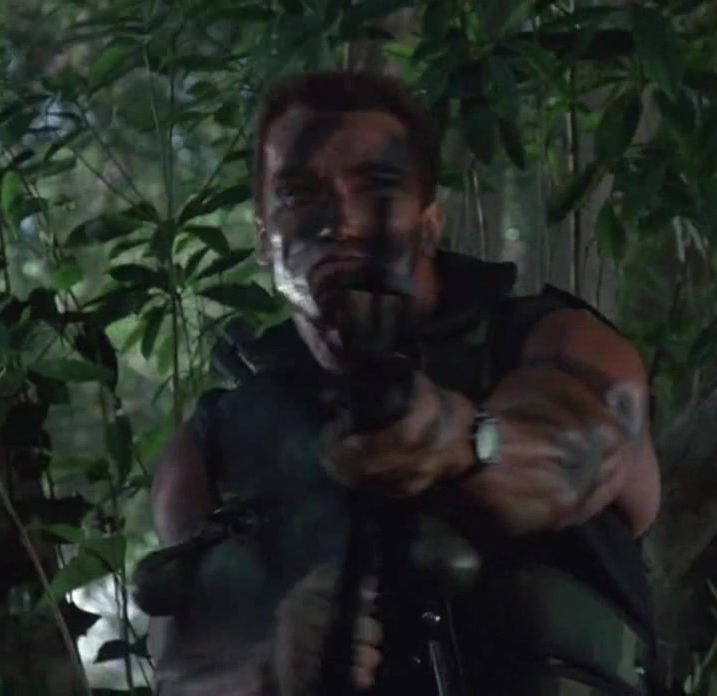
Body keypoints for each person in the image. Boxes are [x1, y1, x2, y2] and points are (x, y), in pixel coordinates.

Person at [142, 69, 662, 696]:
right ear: (262, 236)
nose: (339, 222)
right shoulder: (214, 447)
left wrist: (462, 442)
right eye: (299, 194)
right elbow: (182, 670)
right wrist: (275, 667)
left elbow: (584, 445)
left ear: (429, 223)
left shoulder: (554, 342)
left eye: (376, 189)